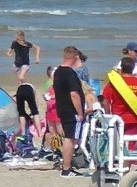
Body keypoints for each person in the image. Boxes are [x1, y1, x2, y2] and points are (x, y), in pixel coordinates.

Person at [53, 46, 87, 177]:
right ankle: (66, 168)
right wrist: (79, 113)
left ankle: (67, 167)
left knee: (69, 137)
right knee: (71, 138)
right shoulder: (69, 73)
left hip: (62, 108)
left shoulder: (58, 72)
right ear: (73, 57)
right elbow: (74, 94)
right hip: (71, 110)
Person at [101, 56, 137, 137]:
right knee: (131, 145)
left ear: (121, 68)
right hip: (135, 119)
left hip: (117, 118)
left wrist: (108, 116)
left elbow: (104, 101)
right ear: (133, 68)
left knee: (117, 144)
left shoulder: (114, 84)